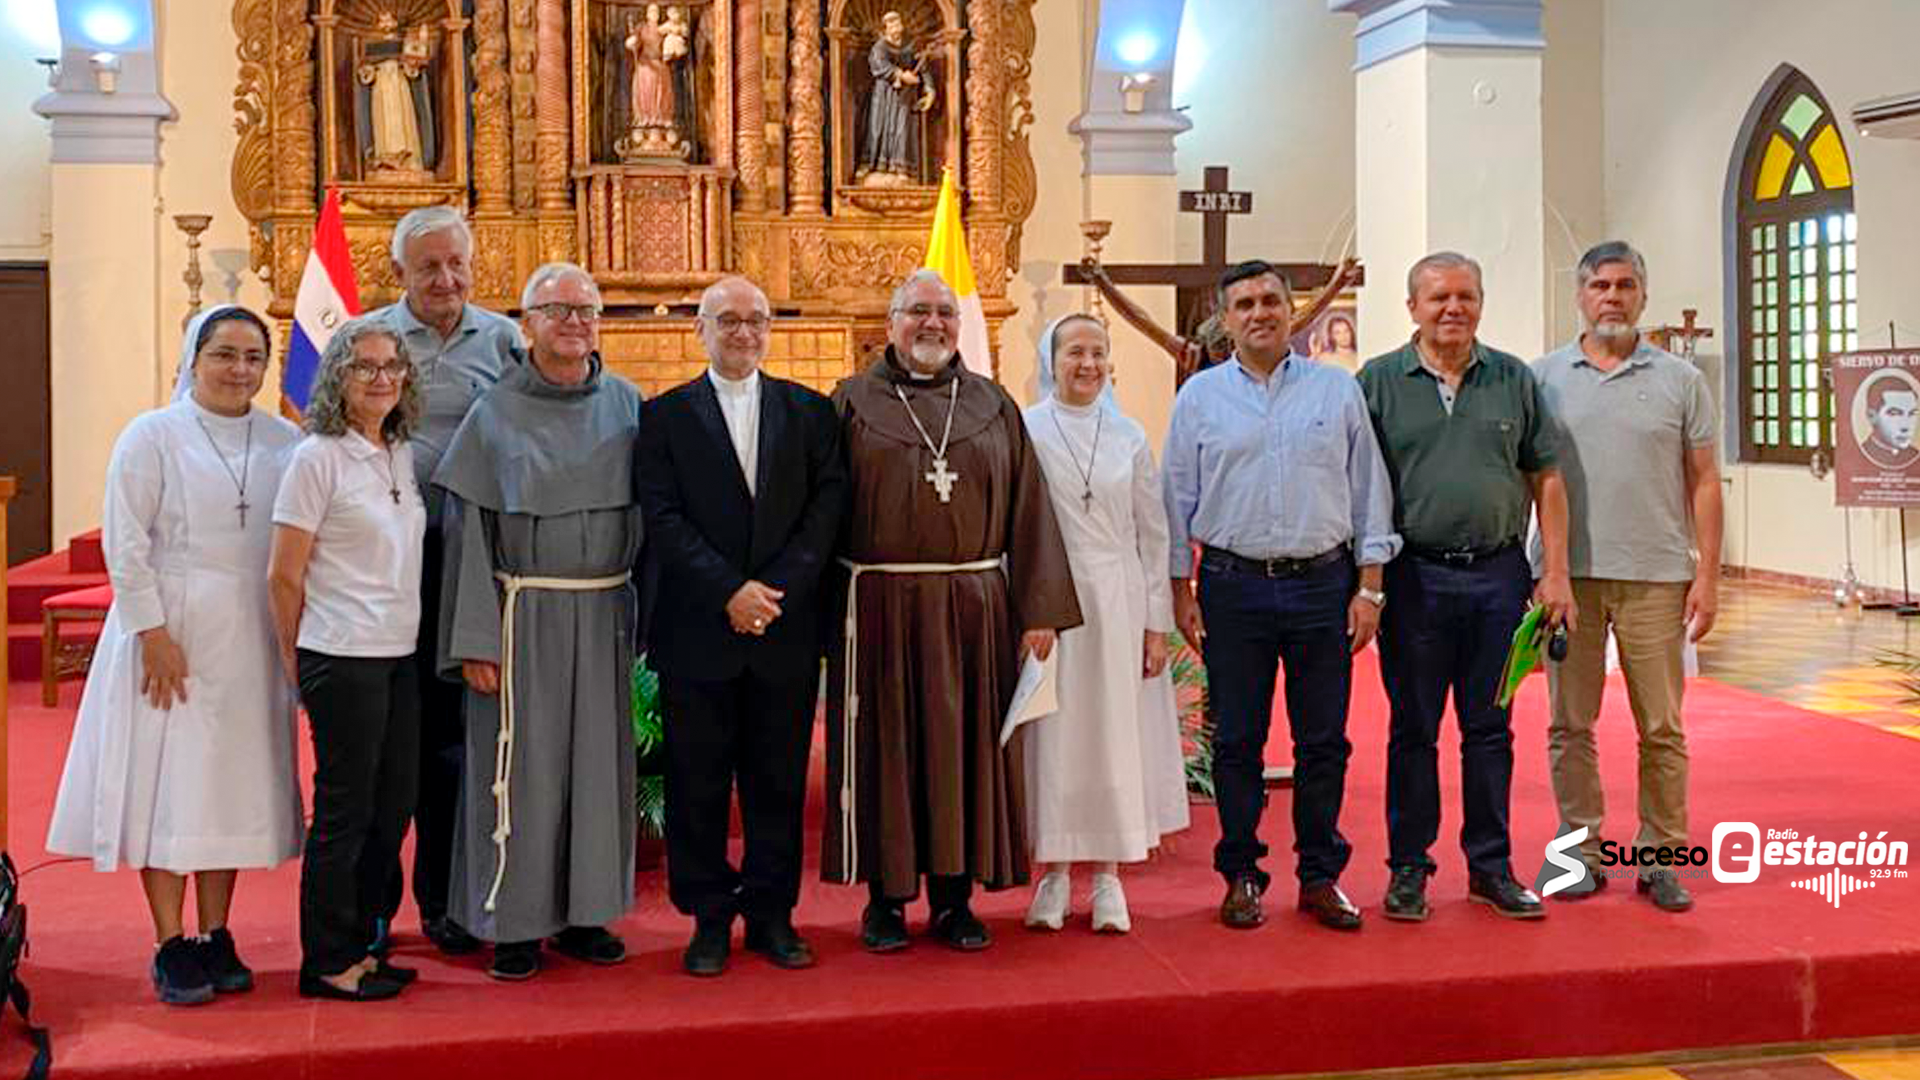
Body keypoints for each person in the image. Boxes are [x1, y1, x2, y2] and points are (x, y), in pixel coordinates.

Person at [46, 305, 304, 1005]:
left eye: (253, 356)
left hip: (251, 634)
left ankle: (216, 934)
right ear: (193, 358)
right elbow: (125, 545)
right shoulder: (152, 436)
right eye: (224, 353)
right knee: (169, 787)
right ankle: (169, 943)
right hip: (172, 632)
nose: (239, 369)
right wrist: (152, 633)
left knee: (229, 786)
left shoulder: (284, 439)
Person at [826, 269, 1082, 953]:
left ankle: (953, 898)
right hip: (878, 606)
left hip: (974, 608)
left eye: (943, 311)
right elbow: (821, 514)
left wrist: (1039, 611)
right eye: (917, 312)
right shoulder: (850, 402)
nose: (932, 323)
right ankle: (886, 901)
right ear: (891, 324)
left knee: (963, 748)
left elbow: (1031, 508)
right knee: (889, 750)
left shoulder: (995, 406)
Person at [1163, 260, 1400, 933]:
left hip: (1323, 585)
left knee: (1323, 740)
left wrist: (1371, 591)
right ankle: (1241, 873)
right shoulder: (1200, 398)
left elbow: (1368, 492)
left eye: (1271, 301)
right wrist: (1180, 589)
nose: (1260, 313)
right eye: (1245, 304)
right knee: (1237, 740)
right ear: (1226, 319)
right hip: (1232, 587)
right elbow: (1175, 500)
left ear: (1291, 311)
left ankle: (1320, 876)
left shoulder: (1336, 392)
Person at [435, 262, 645, 981]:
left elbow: (653, 521)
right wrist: (475, 638)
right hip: (520, 618)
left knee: (598, 769)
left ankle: (587, 915)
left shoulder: (627, 404)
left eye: (587, 310)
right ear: (525, 325)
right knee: (519, 771)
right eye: (557, 311)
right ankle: (515, 925)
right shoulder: (493, 413)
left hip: (606, 612)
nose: (575, 323)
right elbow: (467, 539)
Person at [636, 277, 848, 976]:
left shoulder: (811, 413)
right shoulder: (664, 418)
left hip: (781, 630)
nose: (743, 333)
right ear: (699, 329)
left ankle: (771, 914)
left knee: (777, 780)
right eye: (727, 320)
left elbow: (826, 512)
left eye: (755, 320)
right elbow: (661, 518)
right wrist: (729, 591)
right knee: (697, 782)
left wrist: (771, 591)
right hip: (698, 630)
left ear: (769, 330)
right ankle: (707, 917)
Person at [1356, 251, 1574, 923]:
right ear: (1412, 307)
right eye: (1439, 297)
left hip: (1497, 577)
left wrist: (1555, 571)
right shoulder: (1378, 382)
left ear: (1481, 302)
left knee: (1490, 730)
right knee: (1413, 730)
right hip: (1414, 577)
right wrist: (1366, 585)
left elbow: (1547, 478)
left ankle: (1491, 867)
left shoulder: (1512, 378)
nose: (1453, 308)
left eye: (1466, 296)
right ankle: (1409, 870)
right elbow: (1358, 483)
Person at [1534, 241, 1722, 913]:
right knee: (1569, 723)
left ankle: (1661, 857)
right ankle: (1579, 852)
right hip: (1570, 579)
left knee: (1663, 726)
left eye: (1624, 285)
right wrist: (1542, 571)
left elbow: (1703, 481)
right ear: (1579, 296)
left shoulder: (1680, 381)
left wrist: (1709, 575)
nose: (1611, 297)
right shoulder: (1544, 378)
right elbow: (1532, 480)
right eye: (1599, 286)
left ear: (1643, 294)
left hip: (1657, 576)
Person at [364, 205, 520, 957]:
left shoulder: (505, 339)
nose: (446, 279)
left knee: (457, 743)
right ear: (400, 273)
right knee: (389, 743)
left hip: (471, 567)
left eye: (456, 264)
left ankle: (444, 901)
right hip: (385, 567)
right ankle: (371, 908)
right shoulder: (364, 342)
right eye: (429, 267)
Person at [268, 319, 427, 999]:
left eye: (393, 365)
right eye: (365, 366)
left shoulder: (398, 450)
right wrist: (293, 666)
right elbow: (283, 576)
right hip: (341, 654)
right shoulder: (317, 458)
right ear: (337, 375)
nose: (382, 376)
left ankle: (365, 938)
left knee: (392, 808)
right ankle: (327, 959)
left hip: (399, 654)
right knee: (346, 811)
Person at [1020, 314, 1189, 935]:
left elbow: (1153, 535)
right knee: (1057, 734)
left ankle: (1111, 875)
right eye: (1074, 353)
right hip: (1053, 600)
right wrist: (1027, 610)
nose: (1086, 364)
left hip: (1119, 598)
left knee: (1116, 732)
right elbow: (1017, 530)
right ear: (1052, 360)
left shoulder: (1128, 437)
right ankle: (1056, 874)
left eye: (1097, 352)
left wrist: (1155, 625)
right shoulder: (1026, 430)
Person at [1078, 256, 1358, 389]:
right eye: (1218, 351)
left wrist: (1336, 285)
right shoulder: (1195, 357)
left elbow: (1300, 316)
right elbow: (1143, 322)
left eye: (1225, 349)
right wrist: (1104, 284)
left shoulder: (1258, 343)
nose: (1222, 355)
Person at [859, 10, 923, 183]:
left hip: (904, 96)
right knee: (879, 128)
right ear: (885, 28)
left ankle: (901, 167)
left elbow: (923, 67)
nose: (896, 27)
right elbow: (879, 65)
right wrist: (901, 75)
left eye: (897, 23)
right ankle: (877, 166)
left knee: (902, 128)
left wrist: (930, 90)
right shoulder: (880, 47)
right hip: (883, 95)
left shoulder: (909, 46)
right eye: (892, 24)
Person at [1860, 377, 1920, 470]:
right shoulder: (1861, 453)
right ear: (1872, 416)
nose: (1905, 427)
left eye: (1912, 413)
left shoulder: (1914, 454)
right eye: (1894, 414)